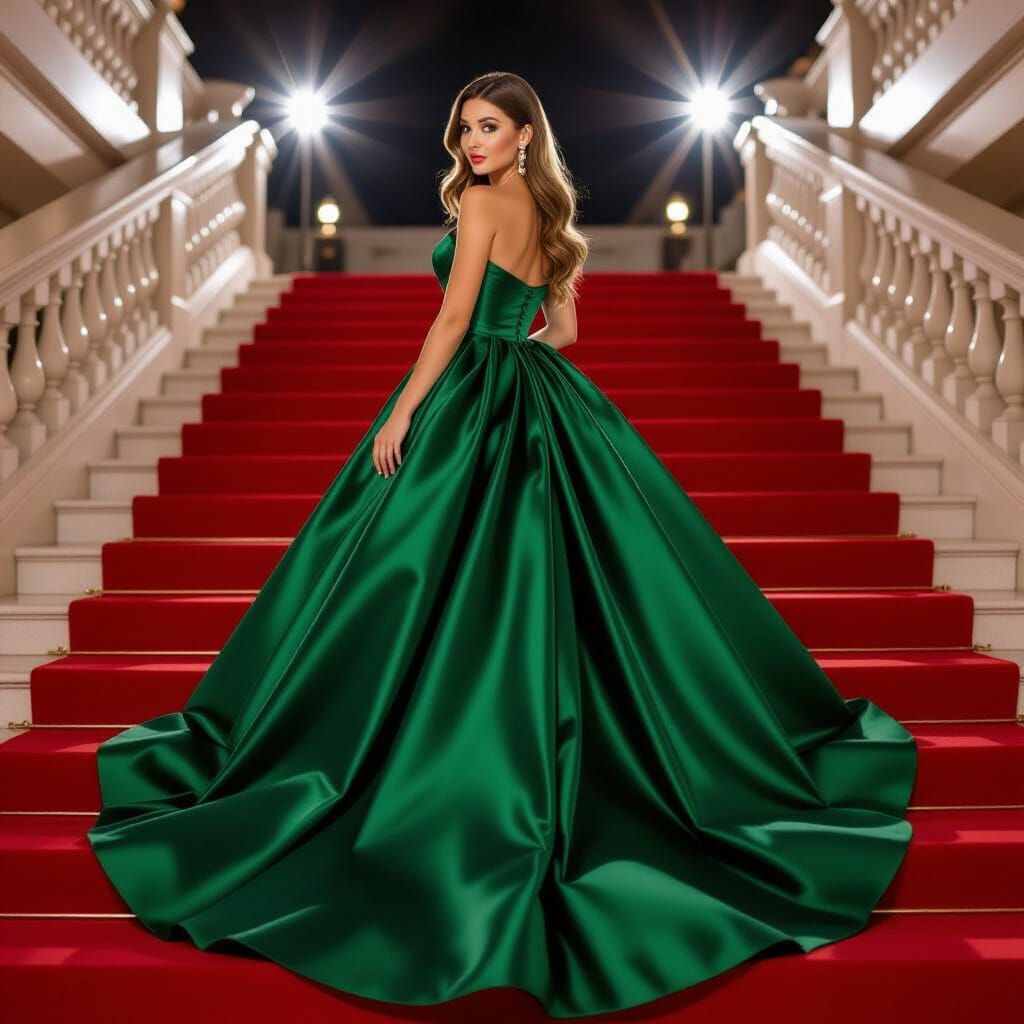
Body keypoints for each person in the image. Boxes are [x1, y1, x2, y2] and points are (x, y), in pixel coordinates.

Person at [88, 71, 917, 1020]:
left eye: (488, 127)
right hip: (541, 400)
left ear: (526, 133)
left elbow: (450, 317)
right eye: (465, 128)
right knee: (564, 588)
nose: (472, 143)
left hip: (471, 401)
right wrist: (518, 353)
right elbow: (562, 329)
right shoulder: (552, 218)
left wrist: (408, 406)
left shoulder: (482, 203)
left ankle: (409, 764)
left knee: (410, 579)